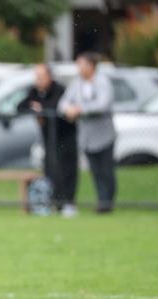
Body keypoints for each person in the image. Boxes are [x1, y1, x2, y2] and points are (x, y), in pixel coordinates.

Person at [59, 52, 117, 213]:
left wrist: (80, 110)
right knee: (96, 172)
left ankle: (106, 203)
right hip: (86, 136)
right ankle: (101, 201)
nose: (78, 68)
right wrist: (68, 109)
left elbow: (102, 104)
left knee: (106, 171)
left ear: (91, 66)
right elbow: (63, 102)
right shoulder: (77, 83)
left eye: (81, 64)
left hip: (104, 135)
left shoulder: (102, 82)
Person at [18, 64, 78, 217]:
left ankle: (67, 203)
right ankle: (52, 201)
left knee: (66, 170)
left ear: (49, 76)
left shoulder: (59, 90)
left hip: (65, 137)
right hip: (48, 139)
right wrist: (35, 109)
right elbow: (21, 106)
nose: (38, 80)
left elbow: (56, 108)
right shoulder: (34, 91)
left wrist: (41, 109)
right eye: (36, 77)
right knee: (50, 170)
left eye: (41, 77)